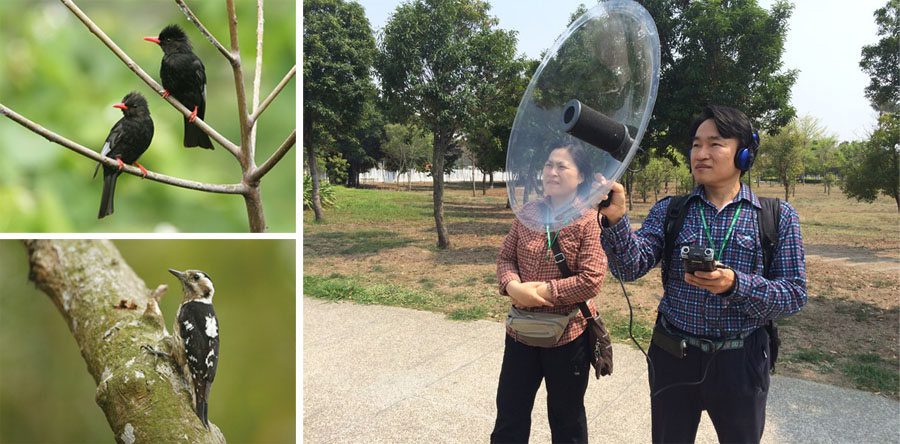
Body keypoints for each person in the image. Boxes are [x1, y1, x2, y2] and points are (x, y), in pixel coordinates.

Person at [597, 105, 807, 443]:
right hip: (673, 355)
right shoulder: (671, 210)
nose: (701, 154)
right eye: (696, 145)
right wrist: (616, 221)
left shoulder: (776, 216)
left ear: (743, 154)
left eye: (715, 144)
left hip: (741, 360)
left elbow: (794, 295)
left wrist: (735, 285)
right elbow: (630, 267)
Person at [492, 144, 607, 443]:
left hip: (568, 337)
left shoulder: (588, 220)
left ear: (581, 175)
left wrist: (544, 292)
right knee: (510, 414)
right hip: (521, 334)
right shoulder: (529, 212)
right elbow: (506, 258)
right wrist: (513, 286)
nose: (552, 172)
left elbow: (591, 280)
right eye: (548, 165)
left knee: (566, 419)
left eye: (562, 166)